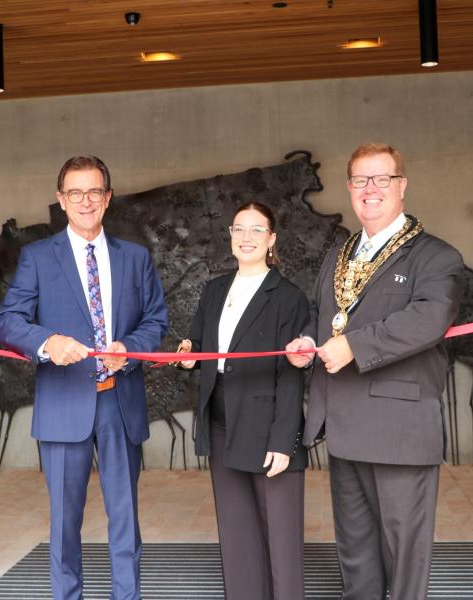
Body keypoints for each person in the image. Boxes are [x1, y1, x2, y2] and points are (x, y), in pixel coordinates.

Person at [286, 142, 465, 600]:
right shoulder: (337, 255)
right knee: (357, 555)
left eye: (381, 179)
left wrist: (353, 346)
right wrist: (309, 340)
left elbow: (428, 320)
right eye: (361, 180)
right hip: (343, 423)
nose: (371, 189)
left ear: (401, 185)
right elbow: (322, 313)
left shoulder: (435, 256)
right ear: (349, 189)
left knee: (405, 557)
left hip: (398, 430)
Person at [0, 155, 168, 600]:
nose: (85, 201)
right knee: (65, 520)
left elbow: (155, 321)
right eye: (75, 192)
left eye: (94, 192)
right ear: (61, 200)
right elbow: (6, 321)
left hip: (119, 401)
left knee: (125, 517)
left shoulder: (135, 258)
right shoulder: (36, 257)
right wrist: (48, 341)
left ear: (108, 199)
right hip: (63, 403)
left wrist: (128, 349)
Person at [177, 201, 309, 600]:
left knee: (280, 540)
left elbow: (292, 371)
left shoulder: (288, 296)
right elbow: (200, 343)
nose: (246, 237)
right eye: (239, 229)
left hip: (268, 427)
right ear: (230, 236)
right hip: (220, 422)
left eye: (257, 230)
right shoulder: (215, 289)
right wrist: (187, 352)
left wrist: (283, 440)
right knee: (237, 537)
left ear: (271, 239)